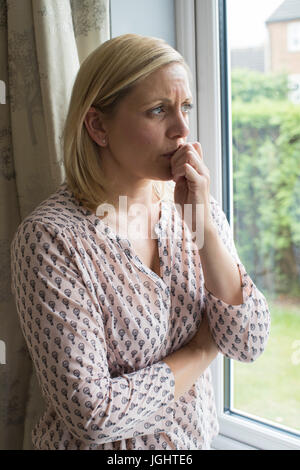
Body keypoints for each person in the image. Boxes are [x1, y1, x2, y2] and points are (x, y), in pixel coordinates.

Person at [10, 34, 271, 450]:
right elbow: (92, 416)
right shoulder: (51, 239)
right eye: (157, 111)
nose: (182, 129)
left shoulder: (191, 201)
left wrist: (202, 226)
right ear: (98, 126)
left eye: (185, 108)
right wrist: (201, 351)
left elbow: (247, 340)